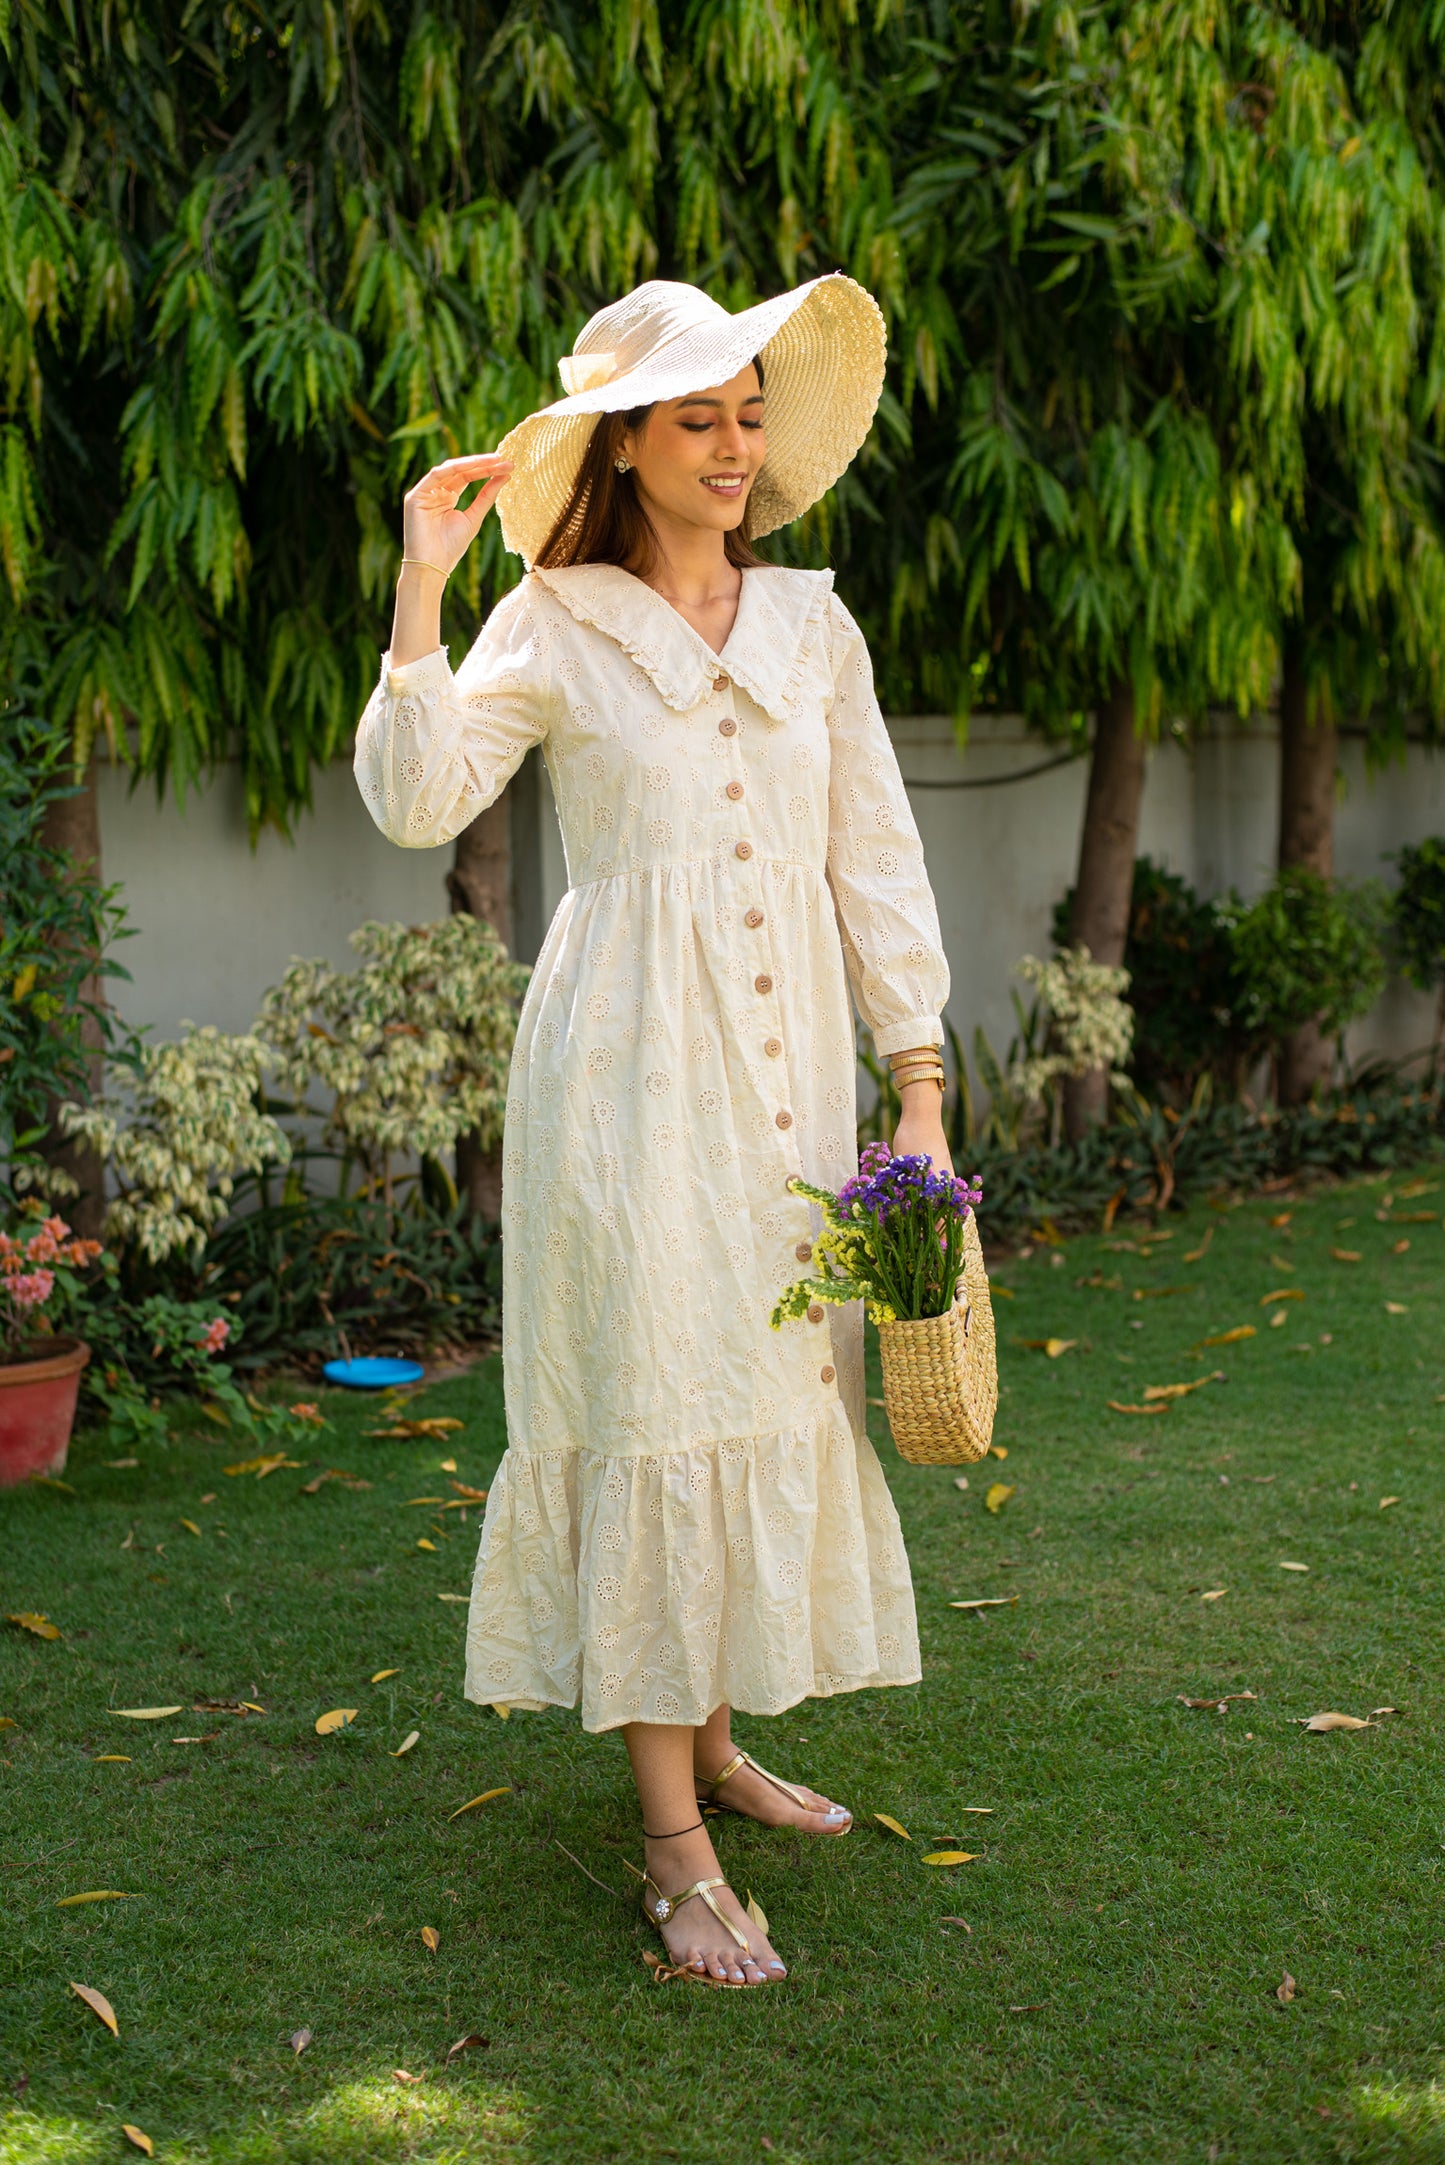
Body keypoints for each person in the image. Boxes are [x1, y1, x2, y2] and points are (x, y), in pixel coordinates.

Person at [354, 274, 952, 1988]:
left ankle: (711, 1745)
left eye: (749, 413)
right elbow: (417, 800)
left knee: (762, 1390)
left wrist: (913, 1073)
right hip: (619, 1084)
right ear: (624, 440)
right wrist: (421, 582)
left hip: (787, 1087)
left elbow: (874, 852)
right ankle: (673, 1848)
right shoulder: (554, 618)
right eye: (697, 416)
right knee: (642, 1401)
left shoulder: (809, 626)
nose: (733, 446)